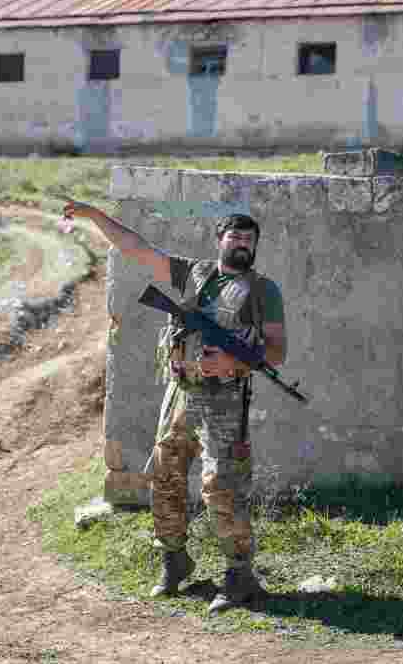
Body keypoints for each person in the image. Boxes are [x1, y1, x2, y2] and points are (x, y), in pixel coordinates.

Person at [61, 200, 287, 614]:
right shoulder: (195, 273)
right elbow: (136, 248)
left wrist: (234, 361)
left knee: (221, 485)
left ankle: (240, 576)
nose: (241, 243)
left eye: (248, 239)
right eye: (234, 236)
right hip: (182, 393)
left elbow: (277, 350)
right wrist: (94, 217)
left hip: (225, 400)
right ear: (219, 240)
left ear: (255, 247)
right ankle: (175, 560)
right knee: (164, 475)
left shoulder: (262, 290)